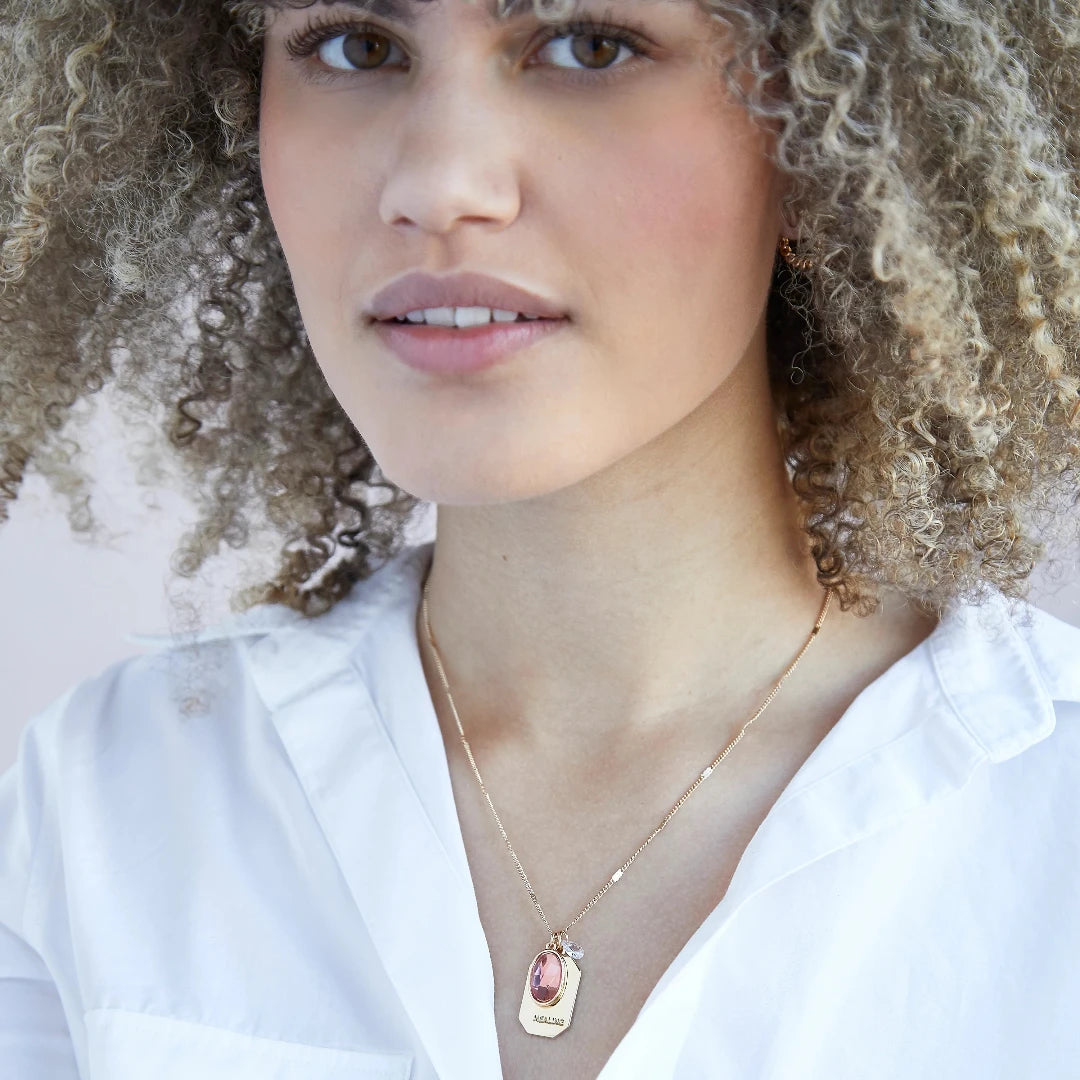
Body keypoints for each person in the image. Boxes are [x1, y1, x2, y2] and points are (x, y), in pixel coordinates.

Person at [2, 0, 1079, 1076]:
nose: (438, 186)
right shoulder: (101, 806)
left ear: (824, 142)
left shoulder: (1048, 824)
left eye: (589, 46)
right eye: (357, 46)